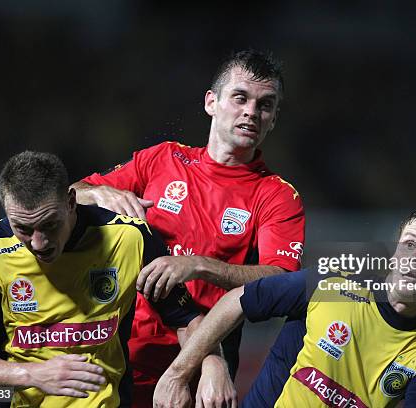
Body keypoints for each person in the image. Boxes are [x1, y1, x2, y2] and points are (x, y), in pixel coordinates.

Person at [71, 49, 305, 405]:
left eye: (265, 105)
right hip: (113, 355)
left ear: (273, 119)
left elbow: (281, 282)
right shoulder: (162, 158)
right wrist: (103, 193)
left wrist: (198, 265)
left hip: (197, 370)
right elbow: (73, 195)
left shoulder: (277, 196)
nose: (251, 112)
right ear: (211, 102)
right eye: (240, 98)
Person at [0, 151, 234, 408]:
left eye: (50, 225)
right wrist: (34, 374)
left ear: (71, 201)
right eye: (23, 229)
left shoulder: (130, 239)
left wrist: (211, 363)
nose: (38, 242)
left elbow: (185, 319)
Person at [154, 206, 416, 407]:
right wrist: (178, 375)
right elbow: (237, 300)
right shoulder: (333, 284)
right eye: (409, 244)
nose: (414, 259)